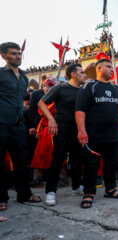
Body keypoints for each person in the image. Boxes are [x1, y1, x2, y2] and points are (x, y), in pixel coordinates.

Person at [75, 59, 118, 208]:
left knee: (112, 163)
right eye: (108, 67)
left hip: (112, 134)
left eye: (112, 67)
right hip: (93, 135)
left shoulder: (115, 88)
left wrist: (114, 112)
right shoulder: (89, 86)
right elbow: (79, 110)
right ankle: (89, 193)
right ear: (99, 68)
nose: (112, 70)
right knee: (91, 165)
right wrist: (81, 130)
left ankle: (110, 189)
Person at [0, 42, 42, 210]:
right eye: (13, 54)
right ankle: (1, 198)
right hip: (1, 124)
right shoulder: (1, 74)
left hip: (18, 126)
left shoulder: (24, 77)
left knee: (22, 161)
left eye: (19, 53)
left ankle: (24, 194)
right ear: (4, 56)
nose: (18, 56)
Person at [38, 64, 87, 206]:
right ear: (73, 74)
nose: (85, 75)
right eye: (82, 72)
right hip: (62, 128)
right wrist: (51, 119)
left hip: (78, 129)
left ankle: (77, 187)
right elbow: (41, 103)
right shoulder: (60, 88)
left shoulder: (85, 91)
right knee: (58, 159)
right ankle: (51, 191)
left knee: (77, 159)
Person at [30, 78, 57, 187]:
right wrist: (36, 129)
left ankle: (62, 178)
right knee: (39, 155)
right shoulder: (42, 100)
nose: (48, 89)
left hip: (52, 130)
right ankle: (38, 179)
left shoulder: (56, 101)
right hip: (44, 130)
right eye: (47, 86)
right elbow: (38, 115)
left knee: (55, 155)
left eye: (51, 87)